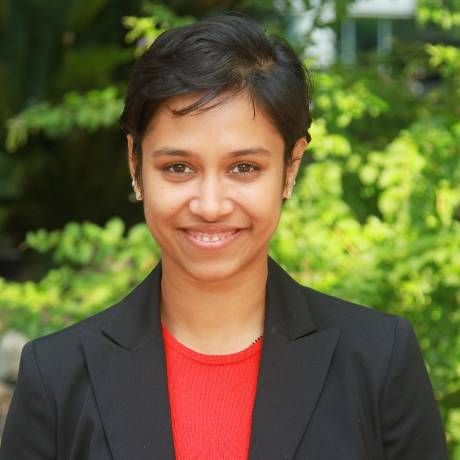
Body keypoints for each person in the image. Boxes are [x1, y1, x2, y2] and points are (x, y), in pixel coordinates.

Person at [0, 13, 448, 460]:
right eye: (178, 167)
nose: (210, 206)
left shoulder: (378, 361)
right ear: (136, 164)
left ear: (290, 167)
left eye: (244, 167)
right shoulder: (56, 378)